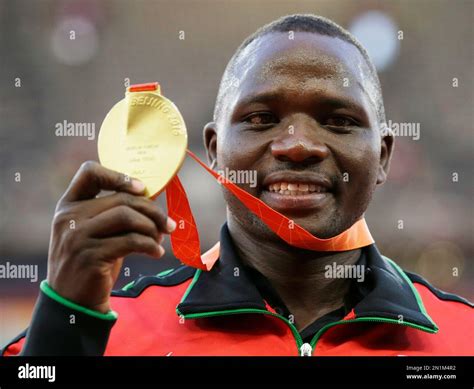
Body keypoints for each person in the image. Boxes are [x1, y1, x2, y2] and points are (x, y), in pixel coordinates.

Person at [2, 14, 472, 356]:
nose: (298, 145)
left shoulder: (463, 338)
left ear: (384, 155)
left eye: (340, 121)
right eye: (261, 118)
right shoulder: (110, 330)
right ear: (213, 150)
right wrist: (66, 321)